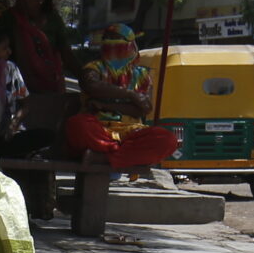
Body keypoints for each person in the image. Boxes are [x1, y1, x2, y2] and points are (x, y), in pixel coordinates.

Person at [62, 25, 178, 169]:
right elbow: (91, 85)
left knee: (167, 140)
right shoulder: (94, 68)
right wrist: (129, 94)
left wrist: (106, 105)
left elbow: (144, 108)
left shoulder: (141, 74)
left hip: (131, 132)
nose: (111, 43)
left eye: (116, 39)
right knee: (77, 125)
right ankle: (122, 156)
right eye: (108, 39)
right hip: (99, 129)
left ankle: (103, 157)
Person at [0, 0, 71, 93]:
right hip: (16, 88)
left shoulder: (53, 19)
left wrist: (83, 76)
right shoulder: (9, 18)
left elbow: (66, 53)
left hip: (51, 88)